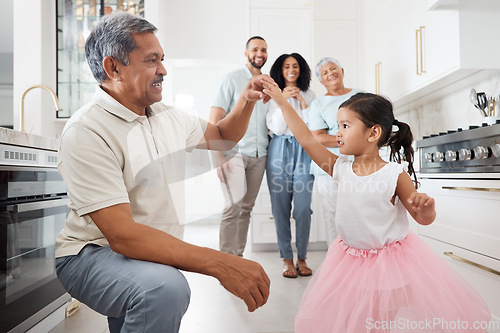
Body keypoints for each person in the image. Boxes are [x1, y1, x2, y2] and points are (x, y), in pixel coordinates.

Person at [55, 12, 272, 333]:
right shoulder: (87, 130)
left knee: (148, 299)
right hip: (91, 254)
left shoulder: (167, 116)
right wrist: (221, 262)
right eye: (151, 60)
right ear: (113, 67)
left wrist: (246, 99)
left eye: (163, 59)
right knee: (163, 289)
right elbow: (123, 236)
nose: (163, 70)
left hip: (144, 253)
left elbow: (223, 136)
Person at [261, 87, 491, 332]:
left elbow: (421, 219)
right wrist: (282, 103)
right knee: (357, 317)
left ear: (373, 133)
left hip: (387, 267)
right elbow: (306, 138)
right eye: (338, 126)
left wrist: (427, 209)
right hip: (348, 262)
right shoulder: (339, 167)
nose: (337, 133)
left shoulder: (394, 174)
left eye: (345, 126)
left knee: (380, 322)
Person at [209, 36, 269, 257]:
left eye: (263, 50)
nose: (259, 54)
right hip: (233, 154)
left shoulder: (269, 84)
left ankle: (238, 257)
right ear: (246, 53)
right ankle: (226, 259)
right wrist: (218, 158)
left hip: (260, 154)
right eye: (255, 49)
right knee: (232, 207)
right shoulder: (230, 79)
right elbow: (214, 118)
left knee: (246, 210)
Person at [265, 53, 316, 278]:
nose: (291, 70)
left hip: (305, 150)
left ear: (301, 69)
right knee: (280, 208)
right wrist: (282, 101)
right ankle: (287, 259)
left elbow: (312, 127)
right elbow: (277, 128)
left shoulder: (311, 95)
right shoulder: (272, 95)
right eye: (287, 66)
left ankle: (302, 257)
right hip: (279, 150)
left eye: (295, 66)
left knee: (303, 208)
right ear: (280, 70)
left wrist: (303, 103)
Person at [308, 58, 363, 246]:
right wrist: (350, 142)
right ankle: (337, 258)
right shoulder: (318, 104)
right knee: (333, 213)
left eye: (333, 68)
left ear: (342, 70)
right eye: (324, 72)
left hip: (361, 163)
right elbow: (318, 137)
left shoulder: (361, 95)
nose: (330, 73)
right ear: (321, 81)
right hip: (328, 166)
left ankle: (360, 254)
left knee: (360, 211)